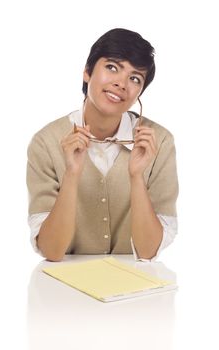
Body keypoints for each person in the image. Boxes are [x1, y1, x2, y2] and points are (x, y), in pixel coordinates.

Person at [27, 28, 178, 262]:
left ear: (139, 92)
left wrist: (137, 177)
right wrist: (72, 174)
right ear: (87, 72)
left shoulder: (159, 142)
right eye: (112, 67)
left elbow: (148, 252)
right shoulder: (45, 142)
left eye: (134, 78)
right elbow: (52, 251)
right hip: (63, 290)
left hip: (137, 289)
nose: (121, 83)